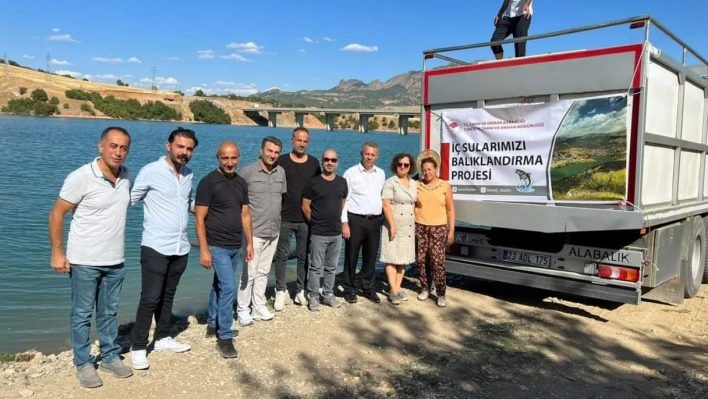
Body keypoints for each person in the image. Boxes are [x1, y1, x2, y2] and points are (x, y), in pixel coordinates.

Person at [48, 127, 134, 388]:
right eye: (113, 146)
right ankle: (83, 363)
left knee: (109, 312)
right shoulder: (81, 177)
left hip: (115, 259)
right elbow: (57, 213)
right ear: (101, 146)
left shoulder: (126, 175)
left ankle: (109, 356)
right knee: (82, 314)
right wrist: (57, 252)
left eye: (123, 148)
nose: (118, 152)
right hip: (84, 260)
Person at [129, 127, 198, 370]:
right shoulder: (151, 171)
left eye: (189, 149)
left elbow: (190, 204)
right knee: (149, 298)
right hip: (155, 246)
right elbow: (129, 199)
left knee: (168, 295)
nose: (184, 152)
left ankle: (162, 337)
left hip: (181, 246)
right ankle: (138, 346)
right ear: (168, 145)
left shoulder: (189, 174)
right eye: (180, 146)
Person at [195, 141, 254, 359]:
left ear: (238, 157)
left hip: (234, 245)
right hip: (216, 245)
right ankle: (225, 337)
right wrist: (204, 250)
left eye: (234, 158)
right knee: (229, 287)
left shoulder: (240, 182)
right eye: (225, 158)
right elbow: (199, 219)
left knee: (219, 285)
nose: (230, 163)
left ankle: (213, 324)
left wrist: (249, 242)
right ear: (218, 158)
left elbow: (245, 214)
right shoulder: (208, 182)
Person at [236, 137, 286, 325]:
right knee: (248, 273)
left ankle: (258, 305)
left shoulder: (281, 172)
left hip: (274, 230)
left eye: (276, 152)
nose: (272, 155)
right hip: (253, 232)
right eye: (269, 151)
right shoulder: (247, 172)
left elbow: (282, 198)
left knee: (264, 271)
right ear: (261, 150)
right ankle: (242, 309)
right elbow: (238, 203)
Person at [273, 127, 321, 310]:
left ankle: (301, 290)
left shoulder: (314, 163)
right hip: (284, 217)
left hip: (305, 219)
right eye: (299, 140)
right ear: (292, 140)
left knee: (303, 256)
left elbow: (318, 189)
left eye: (305, 141)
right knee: (282, 255)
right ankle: (280, 290)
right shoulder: (282, 161)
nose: (302, 144)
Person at [302, 149, 348, 311]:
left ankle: (328, 293)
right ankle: (313, 296)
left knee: (331, 266)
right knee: (315, 267)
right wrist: (315, 222)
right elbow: (305, 206)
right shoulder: (313, 182)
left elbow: (342, 202)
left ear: (337, 163)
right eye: (327, 159)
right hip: (318, 233)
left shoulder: (342, 182)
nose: (330, 162)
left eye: (333, 160)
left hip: (335, 232)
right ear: (322, 161)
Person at [341, 141, 386, 304]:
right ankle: (350, 288)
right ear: (362, 154)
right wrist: (344, 222)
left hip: (374, 221)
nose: (369, 157)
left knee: (371, 256)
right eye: (367, 154)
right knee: (351, 255)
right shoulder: (351, 173)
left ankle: (368, 288)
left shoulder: (380, 174)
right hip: (355, 219)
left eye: (372, 155)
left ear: (376, 156)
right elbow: (344, 200)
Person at [414, 151, 455, 308]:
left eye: (430, 169)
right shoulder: (417, 185)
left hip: (438, 228)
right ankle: (425, 288)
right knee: (422, 259)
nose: (427, 172)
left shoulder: (444, 186)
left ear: (436, 169)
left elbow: (450, 210)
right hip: (420, 226)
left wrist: (451, 230)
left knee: (437, 261)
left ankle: (441, 293)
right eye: (424, 170)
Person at [380, 153, 417, 305]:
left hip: (408, 225)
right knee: (391, 257)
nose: (402, 167)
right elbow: (385, 204)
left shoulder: (414, 183)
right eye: (400, 164)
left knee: (403, 258)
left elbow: (414, 204)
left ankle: (397, 286)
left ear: (410, 167)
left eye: (406, 165)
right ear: (395, 165)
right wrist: (393, 225)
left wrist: (414, 224)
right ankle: (393, 290)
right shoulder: (391, 182)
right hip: (393, 223)